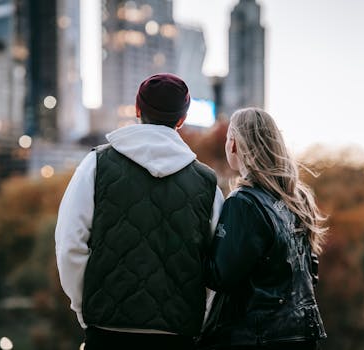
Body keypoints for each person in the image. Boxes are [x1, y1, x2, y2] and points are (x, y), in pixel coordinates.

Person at [55, 73, 224, 350]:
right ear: (181, 119)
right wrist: (196, 316)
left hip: (107, 330)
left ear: (137, 110)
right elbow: (216, 268)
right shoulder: (207, 184)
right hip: (178, 334)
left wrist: (85, 308)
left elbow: (69, 245)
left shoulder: (96, 165)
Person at [198, 108, 328, 350]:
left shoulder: (244, 203)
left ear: (234, 145)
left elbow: (219, 275)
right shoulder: (298, 198)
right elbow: (311, 271)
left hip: (253, 336)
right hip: (301, 333)